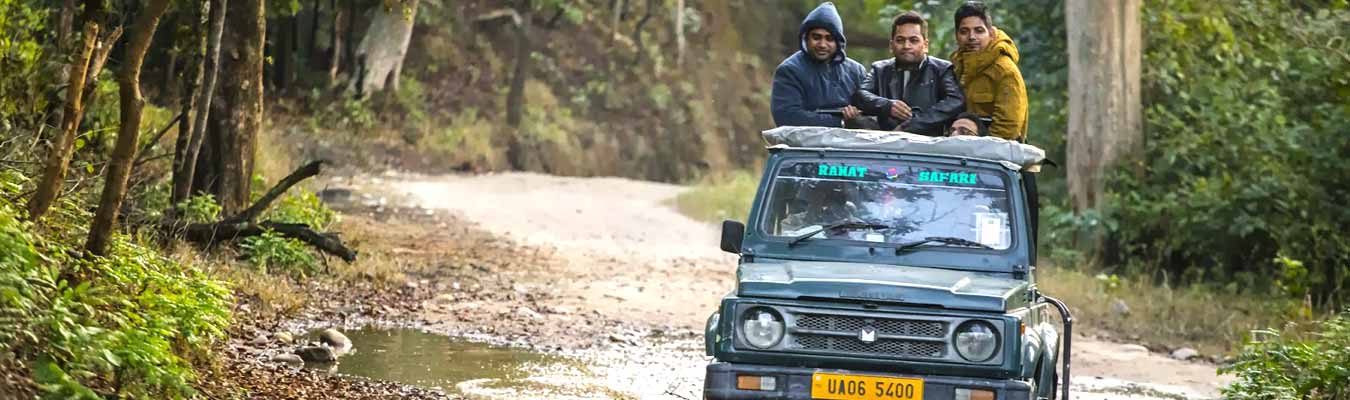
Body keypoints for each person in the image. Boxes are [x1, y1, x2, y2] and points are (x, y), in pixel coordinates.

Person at [852, 11, 965, 135]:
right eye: (900, 40)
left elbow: (955, 101)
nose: (906, 46)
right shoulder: (880, 69)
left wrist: (913, 124)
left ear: (925, 45)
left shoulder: (942, 69)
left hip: (928, 141)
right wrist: (887, 106)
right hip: (885, 140)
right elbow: (861, 95)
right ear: (891, 45)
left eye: (913, 40)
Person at [771, 2, 869, 128]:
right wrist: (840, 122)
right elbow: (787, 116)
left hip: (852, 140)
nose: (822, 44)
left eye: (829, 39)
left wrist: (857, 118)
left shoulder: (857, 71)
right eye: (816, 37)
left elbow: (870, 112)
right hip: (804, 141)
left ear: (838, 42)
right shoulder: (789, 71)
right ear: (806, 38)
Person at [949, 1, 1028, 141]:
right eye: (964, 31)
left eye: (979, 31)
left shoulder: (1005, 70)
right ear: (956, 36)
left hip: (993, 150)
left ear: (991, 34)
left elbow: (1008, 127)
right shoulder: (956, 66)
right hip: (959, 146)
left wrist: (981, 149)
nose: (971, 37)